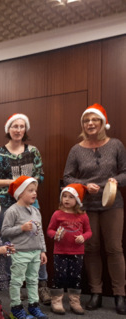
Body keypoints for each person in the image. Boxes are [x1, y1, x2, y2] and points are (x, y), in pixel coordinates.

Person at [63, 103, 126, 314]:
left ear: (102, 123)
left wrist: (114, 180)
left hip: (112, 205)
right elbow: (67, 177)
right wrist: (81, 186)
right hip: (86, 207)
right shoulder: (76, 149)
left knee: (114, 248)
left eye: (94, 120)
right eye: (86, 120)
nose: (90, 124)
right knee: (91, 248)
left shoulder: (116, 145)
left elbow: (125, 172)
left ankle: (119, 295)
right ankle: (96, 292)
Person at [0, 113, 50, 305]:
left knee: (35, 239)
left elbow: (41, 176)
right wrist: (13, 183)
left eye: (22, 126)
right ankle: (15, 282)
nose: (18, 130)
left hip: (30, 202)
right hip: (5, 203)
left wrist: (25, 186)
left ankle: (41, 284)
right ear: (8, 129)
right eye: (14, 126)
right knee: (10, 242)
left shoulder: (33, 151)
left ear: (25, 129)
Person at [1, 176, 48, 319]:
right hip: (20, 252)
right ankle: (16, 309)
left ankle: (33, 307)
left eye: (35, 191)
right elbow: (5, 231)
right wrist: (21, 228)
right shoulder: (12, 211)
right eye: (31, 190)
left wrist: (43, 250)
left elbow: (40, 233)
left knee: (33, 280)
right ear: (20, 192)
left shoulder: (36, 211)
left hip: (35, 252)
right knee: (17, 281)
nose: (35, 193)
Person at [46, 183, 92, 315]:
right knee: (59, 276)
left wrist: (83, 237)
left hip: (77, 253)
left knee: (75, 277)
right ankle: (56, 301)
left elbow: (89, 232)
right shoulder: (57, 214)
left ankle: (74, 301)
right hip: (60, 252)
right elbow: (49, 230)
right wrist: (55, 235)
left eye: (70, 197)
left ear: (77, 200)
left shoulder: (83, 216)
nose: (66, 199)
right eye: (64, 196)